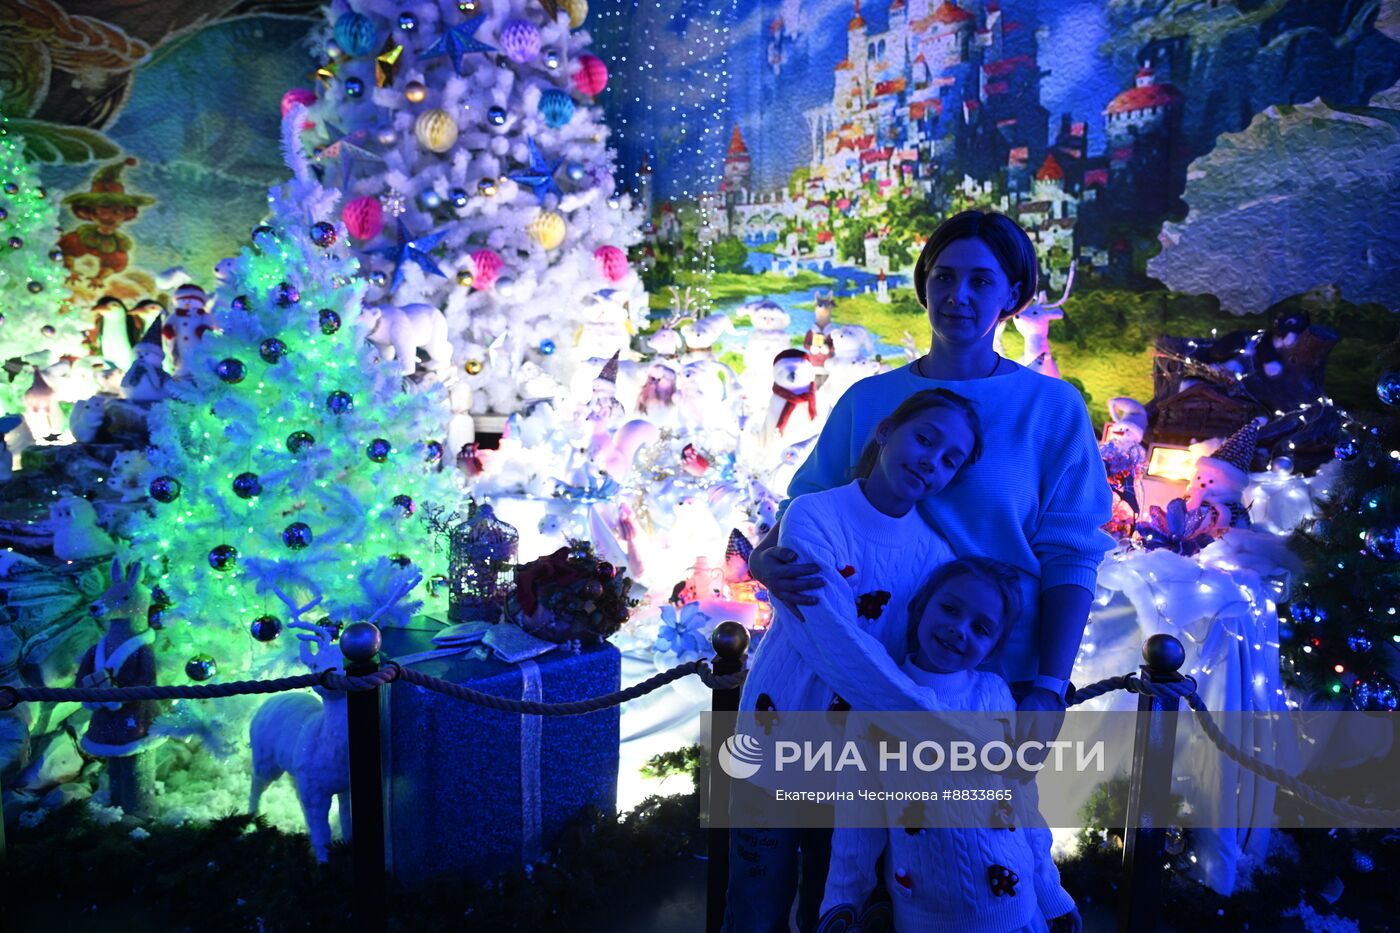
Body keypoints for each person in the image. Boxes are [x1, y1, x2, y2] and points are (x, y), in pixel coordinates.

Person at [749, 210, 1114, 734]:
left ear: (1012, 295)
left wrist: (1050, 687)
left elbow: (1071, 552)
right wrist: (764, 559)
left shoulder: (1052, 407)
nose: (957, 294)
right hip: (861, 660)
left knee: (970, 814)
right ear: (924, 285)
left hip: (992, 671)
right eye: (944, 276)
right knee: (845, 812)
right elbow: (807, 505)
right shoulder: (868, 399)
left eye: (980, 280)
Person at [727, 388, 997, 933]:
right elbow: (834, 637)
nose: (931, 461)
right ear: (884, 432)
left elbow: (910, 655)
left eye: (950, 460)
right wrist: (936, 730)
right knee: (756, 902)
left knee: (836, 904)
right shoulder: (814, 515)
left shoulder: (935, 557)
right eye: (925, 439)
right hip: (774, 739)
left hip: (858, 766)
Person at [818, 557, 1083, 932]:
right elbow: (857, 823)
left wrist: (1052, 895)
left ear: (992, 647)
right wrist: (840, 907)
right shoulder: (879, 704)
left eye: (980, 627)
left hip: (1016, 914)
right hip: (924, 917)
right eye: (950, 608)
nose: (959, 629)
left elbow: (1023, 805)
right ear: (920, 606)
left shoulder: (995, 696)